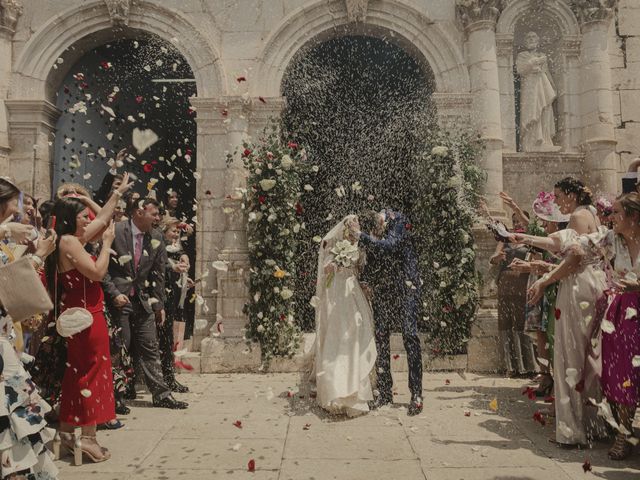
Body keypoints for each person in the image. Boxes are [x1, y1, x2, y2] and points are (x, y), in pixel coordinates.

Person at [536, 193, 640, 459]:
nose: (609, 218)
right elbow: (576, 245)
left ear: (633, 217)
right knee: (622, 375)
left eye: (616, 213)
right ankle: (623, 434)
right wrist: (526, 240)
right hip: (623, 318)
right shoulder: (610, 239)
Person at [44, 173, 133, 464]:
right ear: (72, 219)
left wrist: (105, 197)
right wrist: (106, 245)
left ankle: (68, 433)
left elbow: (104, 219)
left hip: (80, 315)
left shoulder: (69, 238)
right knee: (93, 376)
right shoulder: (70, 242)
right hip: (86, 317)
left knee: (77, 375)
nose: (87, 218)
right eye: (82, 215)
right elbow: (96, 272)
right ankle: (89, 439)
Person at [514, 177, 606, 447]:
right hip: (594, 284)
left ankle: (571, 431)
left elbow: (574, 259)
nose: (555, 202)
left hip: (577, 288)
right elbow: (558, 243)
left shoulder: (577, 215)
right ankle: (594, 425)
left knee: (569, 358)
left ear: (570, 194)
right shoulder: (591, 213)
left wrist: (544, 280)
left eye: (558, 196)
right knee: (590, 359)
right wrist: (524, 237)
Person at [102, 197, 188, 409]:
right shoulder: (116, 230)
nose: (158, 217)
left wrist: (159, 305)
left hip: (143, 301)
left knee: (151, 346)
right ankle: (116, 397)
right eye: (154, 213)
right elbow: (102, 267)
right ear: (139, 213)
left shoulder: (156, 236)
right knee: (120, 348)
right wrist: (113, 293)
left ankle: (161, 395)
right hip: (119, 300)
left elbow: (158, 274)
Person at [0, 177, 58, 479]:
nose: (21, 207)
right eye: (17, 201)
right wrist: (39, 256)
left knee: (16, 427)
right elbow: (4, 285)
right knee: (7, 424)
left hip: (6, 341)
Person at [358, 209, 423, 416]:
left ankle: (416, 394)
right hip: (384, 288)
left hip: (406, 286)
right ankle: (385, 392)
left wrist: (362, 236)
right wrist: (366, 280)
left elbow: (390, 245)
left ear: (380, 218)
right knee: (381, 336)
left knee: (410, 335)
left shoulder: (398, 219)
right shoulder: (375, 229)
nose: (374, 232)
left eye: (374, 228)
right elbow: (374, 255)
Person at [310, 215, 376, 416]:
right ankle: (336, 390)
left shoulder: (361, 245)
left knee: (357, 330)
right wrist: (335, 264)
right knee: (340, 334)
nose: (358, 227)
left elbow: (361, 269)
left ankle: (356, 387)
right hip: (339, 293)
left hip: (353, 291)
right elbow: (326, 268)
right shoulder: (337, 245)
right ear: (347, 228)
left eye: (358, 224)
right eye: (355, 224)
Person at [489, 212, 537, 378]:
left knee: (522, 321)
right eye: (514, 221)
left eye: (520, 221)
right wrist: (497, 257)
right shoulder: (505, 240)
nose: (517, 224)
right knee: (506, 322)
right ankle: (510, 365)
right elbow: (493, 259)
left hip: (523, 284)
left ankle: (529, 366)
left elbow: (536, 260)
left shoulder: (530, 240)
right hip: (505, 284)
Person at [159, 216, 191, 393]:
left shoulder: (173, 248)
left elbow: (179, 257)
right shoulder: (160, 247)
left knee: (168, 339)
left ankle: (169, 377)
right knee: (163, 339)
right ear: (164, 233)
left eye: (178, 232)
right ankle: (165, 379)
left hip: (172, 296)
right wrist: (174, 269)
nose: (176, 234)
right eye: (173, 231)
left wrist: (185, 277)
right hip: (160, 296)